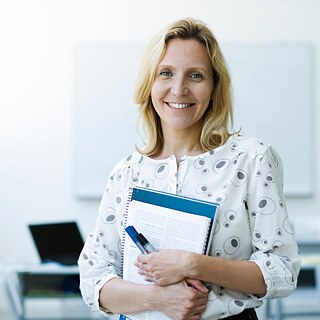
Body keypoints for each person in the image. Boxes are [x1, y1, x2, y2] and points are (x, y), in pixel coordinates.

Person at [78, 17, 301, 320]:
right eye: (166, 73)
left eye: (195, 76)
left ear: (214, 86)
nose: (179, 89)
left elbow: (283, 270)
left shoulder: (252, 159)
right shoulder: (126, 172)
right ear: (149, 83)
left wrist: (193, 264)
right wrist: (158, 299)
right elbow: (94, 281)